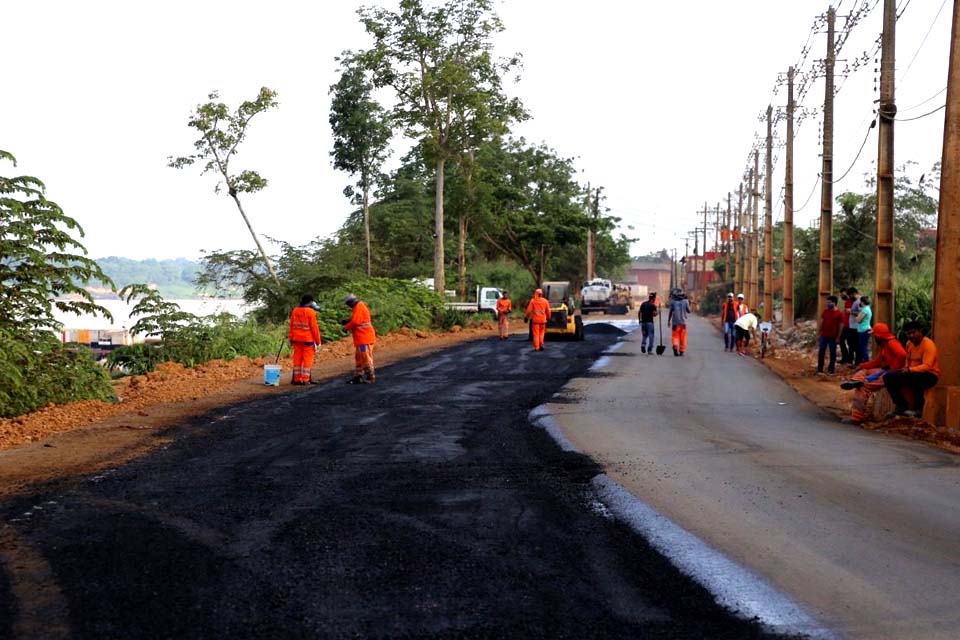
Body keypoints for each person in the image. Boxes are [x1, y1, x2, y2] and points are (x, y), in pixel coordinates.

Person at [839, 322, 905, 424]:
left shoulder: (892, 343)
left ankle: (857, 418)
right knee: (864, 371)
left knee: (863, 387)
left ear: (878, 336)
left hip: (890, 374)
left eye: (875, 335)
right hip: (884, 371)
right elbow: (877, 362)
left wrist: (893, 369)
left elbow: (902, 355)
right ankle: (855, 380)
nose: (874, 337)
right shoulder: (884, 345)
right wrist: (862, 365)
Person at [882, 321, 940, 418]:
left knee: (916, 378)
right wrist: (905, 369)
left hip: (930, 374)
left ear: (920, 332)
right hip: (912, 371)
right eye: (909, 333)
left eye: (913, 332)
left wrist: (910, 370)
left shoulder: (928, 344)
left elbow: (927, 366)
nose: (911, 335)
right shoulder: (909, 344)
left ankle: (918, 410)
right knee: (889, 377)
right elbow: (907, 361)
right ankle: (901, 406)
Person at [343, 293, 377, 384]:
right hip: (361, 338)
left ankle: (370, 376)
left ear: (350, 302)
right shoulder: (358, 307)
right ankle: (358, 376)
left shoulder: (359, 306)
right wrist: (348, 321)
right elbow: (358, 319)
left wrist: (346, 327)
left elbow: (356, 321)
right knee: (359, 358)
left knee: (365, 357)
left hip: (364, 338)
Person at [288, 294, 322, 385]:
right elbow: (314, 328)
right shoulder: (311, 312)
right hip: (308, 340)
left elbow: (291, 326)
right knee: (307, 360)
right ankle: (306, 379)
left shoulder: (295, 311)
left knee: (297, 359)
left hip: (296, 339)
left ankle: (297, 379)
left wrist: (290, 338)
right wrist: (318, 341)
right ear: (310, 302)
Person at [817, 295, 845, 375]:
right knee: (821, 352)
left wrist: (838, 337)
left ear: (834, 303)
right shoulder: (825, 311)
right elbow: (822, 322)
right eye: (827, 302)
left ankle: (831, 370)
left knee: (833, 353)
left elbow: (841, 326)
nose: (827, 304)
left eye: (829, 302)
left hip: (833, 337)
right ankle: (820, 369)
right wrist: (819, 333)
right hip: (824, 335)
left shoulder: (839, 313)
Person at [525, 288, 551, 352]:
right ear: (541, 294)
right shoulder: (545, 301)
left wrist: (526, 317)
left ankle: (537, 347)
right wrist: (548, 317)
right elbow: (548, 311)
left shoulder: (533, 301)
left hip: (536, 321)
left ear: (536, 294)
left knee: (536, 334)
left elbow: (529, 310)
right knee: (542, 333)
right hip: (543, 320)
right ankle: (541, 344)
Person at [667, 290, 691, 357]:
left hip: (675, 323)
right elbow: (689, 311)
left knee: (675, 337)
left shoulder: (673, 302)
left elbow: (670, 312)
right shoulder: (685, 302)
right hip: (683, 324)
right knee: (683, 338)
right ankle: (681, 351)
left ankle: (675, 347)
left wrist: (668, 321)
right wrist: (689, 303)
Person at [838, 289, 856, 365]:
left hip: (850, 325)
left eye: (843, 295)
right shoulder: (847, 302)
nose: (842, 296)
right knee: (841, 340)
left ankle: (850, 359)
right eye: (841, 295)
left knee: (850, 343)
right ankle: (845, 357)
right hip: (845, 325)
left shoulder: (853, 302)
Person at [856, 295, 873, 364]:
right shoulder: (867, 308)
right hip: (864, 329)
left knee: (863, 347)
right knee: (863, 347)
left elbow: (858, 320)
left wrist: (857, 318)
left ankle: (866, 362)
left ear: (862, 302)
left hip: (864, 330)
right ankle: (863, 362)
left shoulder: (865, 309)